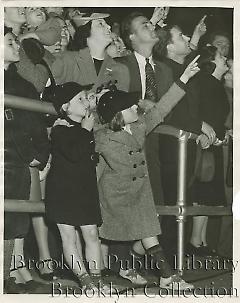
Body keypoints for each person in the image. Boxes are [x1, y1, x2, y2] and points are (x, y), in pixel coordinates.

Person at [95, 55, 199, 291]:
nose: (136, 106)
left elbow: (161, 108)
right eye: (130, 106)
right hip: (113, 196)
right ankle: (164, 276)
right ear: (118, 114)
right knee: (124, 234)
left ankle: (154, 272)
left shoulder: (140, 126)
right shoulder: (102, 137)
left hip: (139, 191)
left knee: (148, 232)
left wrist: (183, 79)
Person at [152, 23, 214, 257]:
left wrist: (196, 35)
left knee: (181, 199)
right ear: (168, 45)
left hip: (185, 142)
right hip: (170, 145)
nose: (186, 37)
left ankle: (171, 257)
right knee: (171, 200)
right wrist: (198, 126)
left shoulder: (180, 67)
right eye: (181, 36)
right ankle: (164, 260)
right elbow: (172, 109)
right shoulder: (165, 69)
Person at [45, 83, 109, 292]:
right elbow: (73, 153)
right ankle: (86, 281)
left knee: (92, 234)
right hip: (63, 191)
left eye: (85, 98)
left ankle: (97, 278)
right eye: (80, 99)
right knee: (69, 237)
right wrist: (85, 130)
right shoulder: (59, 129)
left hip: (84, 189)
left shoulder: (86, 126)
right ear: (66, 106)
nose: (85, 102)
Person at [4, 26, 50, 293]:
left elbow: (36, 124)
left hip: (16, 161)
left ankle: (6, 276)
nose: (16, 45)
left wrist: (40, 155)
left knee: (12, 221)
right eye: (9, 41)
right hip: (10, 156)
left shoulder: (22, 84)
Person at [190, 45, 230, 254]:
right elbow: (198, 113)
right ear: (211, 62)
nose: (225, 59)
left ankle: (202, 240)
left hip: (213, 143)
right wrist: (204, 134)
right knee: (202, 190)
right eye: (221, 56)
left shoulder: (214, 84)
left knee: (209, 192)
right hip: (204, 143)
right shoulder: (204, 83)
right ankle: (196, 241)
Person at [50, 12, 113, 91]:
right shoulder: (66, 60)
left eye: (106, 23)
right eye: (100, 24)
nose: (109, 27)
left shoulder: (116, 66)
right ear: (86, 32)